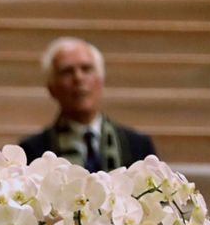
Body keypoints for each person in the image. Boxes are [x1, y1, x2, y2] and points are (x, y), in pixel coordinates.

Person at [20, 36, 156, 171]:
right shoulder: (33, 151)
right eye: (67, 71)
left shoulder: (138, 146)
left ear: (101, 81)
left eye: (86, 69)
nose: (78, 78)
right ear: (51, 88)